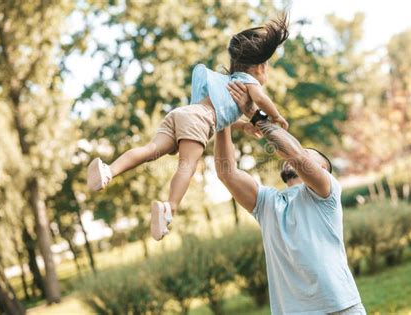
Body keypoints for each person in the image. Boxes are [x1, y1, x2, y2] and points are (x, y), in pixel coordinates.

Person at [87, 15, 289, 241]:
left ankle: (108, 171)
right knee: (187, 166)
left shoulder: (229, 82)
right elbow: (260, 100)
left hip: (182, 113)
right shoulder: (249, 82)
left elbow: (223, 115)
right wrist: (276, 115)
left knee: (150, 150)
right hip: (199, 120)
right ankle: (169, 208)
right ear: (260, 68)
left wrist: (243, 127)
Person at [214, 81, 366, 314]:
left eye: (309, 154)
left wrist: (255, 113)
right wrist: (223, 121)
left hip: (338, 305)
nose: (297, 154)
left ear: (323, 169)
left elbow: (295, 154)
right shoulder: (268, 203)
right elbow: (227, 173)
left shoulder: (326, 191)